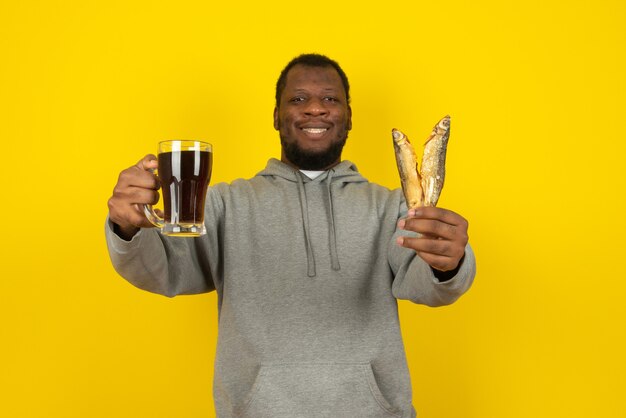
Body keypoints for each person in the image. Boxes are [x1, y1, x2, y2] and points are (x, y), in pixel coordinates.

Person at [106, 53, 476, 418]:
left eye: (330, 99)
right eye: (298, 99)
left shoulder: (391, 207)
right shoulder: (224, 203)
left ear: (348, 118)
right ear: (276, 118)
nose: (315, 108)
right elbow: (163, 271)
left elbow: (429, 286)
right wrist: (126, 228)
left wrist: (449, 263)